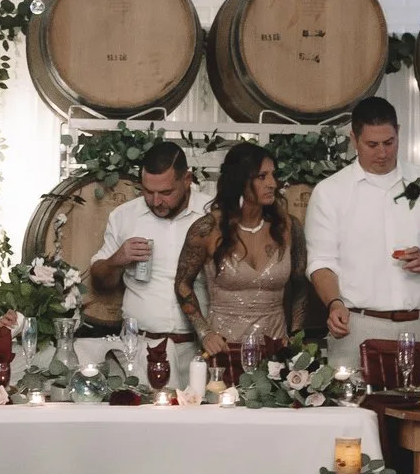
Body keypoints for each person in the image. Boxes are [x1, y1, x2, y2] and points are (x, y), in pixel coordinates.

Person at [306, 97, 420, 376]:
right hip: (358, 325)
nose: (382, 153)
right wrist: (334, 303)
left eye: (389, 143)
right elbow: (321, 261)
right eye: (372, 145)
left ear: (398, 132)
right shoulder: (330, 192)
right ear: (354, 139)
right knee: (354, 403)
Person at [174, 141, 310, 359]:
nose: (272, 184)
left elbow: (301, 285)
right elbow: (182, 284)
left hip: (276, 351)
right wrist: (204, 332)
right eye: (262, 177)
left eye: (273, 175)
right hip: (224, 349)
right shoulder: (207, 229)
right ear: (239, 181)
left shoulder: (289, 227)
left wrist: (295, 336)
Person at [87, 140, 209, 350]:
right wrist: (116, 260)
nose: (156, 201)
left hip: (198, 345)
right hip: (139, 344)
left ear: (187, 180)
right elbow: (100, 282)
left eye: (166, 192)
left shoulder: (212, 212)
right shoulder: (124, 215)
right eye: (148, 191)